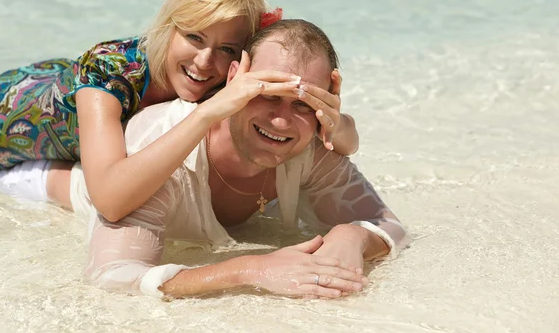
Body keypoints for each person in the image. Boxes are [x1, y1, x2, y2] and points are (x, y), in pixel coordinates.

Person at [0, 0, 361, 223]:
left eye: (224, 48)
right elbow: (111, 203)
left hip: (57, 88)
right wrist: (205, 114)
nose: (205, 62)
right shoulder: (110, 72)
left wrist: (329, 116)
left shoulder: (228, 76)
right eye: (193, 37)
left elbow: (350, 142)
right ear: (168, 26)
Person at [50, 19, 406, 299]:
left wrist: (351, 237)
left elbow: (388, 225)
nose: (281, 121)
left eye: (302, 103)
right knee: (58, 185)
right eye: (267, 94)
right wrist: (248, 269)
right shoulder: (168, 153)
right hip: (83, 170)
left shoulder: (311, 147)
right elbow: (112, 277)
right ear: (235, 78)